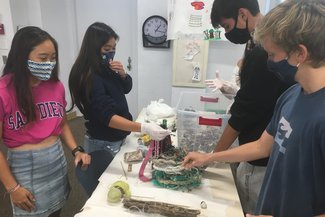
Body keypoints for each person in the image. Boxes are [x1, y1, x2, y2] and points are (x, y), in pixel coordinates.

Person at [183, 0, 325, 216]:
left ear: (300, 53)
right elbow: (261, 146)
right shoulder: (290, 96)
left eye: (272, 55)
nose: (268, 62)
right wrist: (209, 157)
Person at [203, 0, 296, 214]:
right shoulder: (253, 45)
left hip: (262, 160)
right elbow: (259, 96)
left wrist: (212, 156)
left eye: (227, 26)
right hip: (260, 147)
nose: (228, 33)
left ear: (243, 14)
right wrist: (237, 92)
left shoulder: (262, 52)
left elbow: (244, 112)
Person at [0, 26, 91, 217]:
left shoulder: (55, 86)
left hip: (56, 160)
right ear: (21, 56)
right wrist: (12, 187)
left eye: (53, 58)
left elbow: (63, 123)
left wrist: (76, 149)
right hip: (25, 168)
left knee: (55, 211)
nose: (49, 63)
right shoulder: (4, 91)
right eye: (42, 58)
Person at [69, 22, 169, 156]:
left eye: (113, 48)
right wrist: (143, 127)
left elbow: (126, 88)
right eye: (106, 49)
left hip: (117, 136)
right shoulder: (89, 76)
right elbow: (107, 117)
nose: (111, 53)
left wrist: (123, 74)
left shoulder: (105, 67)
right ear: (93, 48)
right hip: (103, 141)